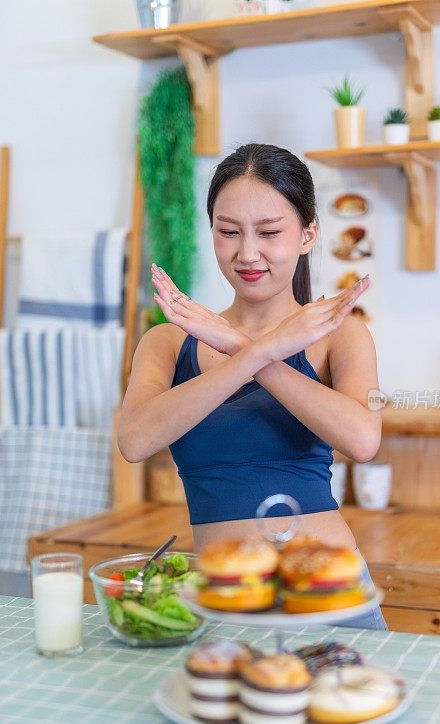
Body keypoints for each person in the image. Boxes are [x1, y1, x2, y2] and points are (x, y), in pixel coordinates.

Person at [118, 142, 386, 630]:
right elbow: (135, 440)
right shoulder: (168, 340)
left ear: (307, 235)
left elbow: (363, 439)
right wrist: (256, 350)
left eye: (269, 232)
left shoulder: (338, 333)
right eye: (228, 232)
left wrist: (244, 350)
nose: (247, 253)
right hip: (225, 597)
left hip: (326, 590)